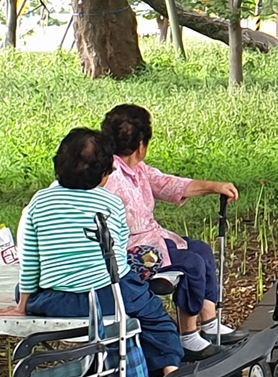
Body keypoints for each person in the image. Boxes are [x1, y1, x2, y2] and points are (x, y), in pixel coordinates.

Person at [0, 128, 186, 376]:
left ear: (57, 165)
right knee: (156, 319)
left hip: (59, 300)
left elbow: (29, 261)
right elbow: (118, 251)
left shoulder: (39, 202)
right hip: (111, 296)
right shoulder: (111, 202)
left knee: (23, 289)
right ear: (104, 175)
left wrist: (22, 304)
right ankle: (169, 370)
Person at [100, 103, 244, 356]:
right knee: (191, 263)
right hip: (133, 251)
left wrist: (214, 186)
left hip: (150, 241)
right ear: (142, 144)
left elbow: (167, 184)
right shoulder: (111, 175)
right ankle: (188, 335)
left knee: (201, 249)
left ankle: (209, 322)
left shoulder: (135, 169)